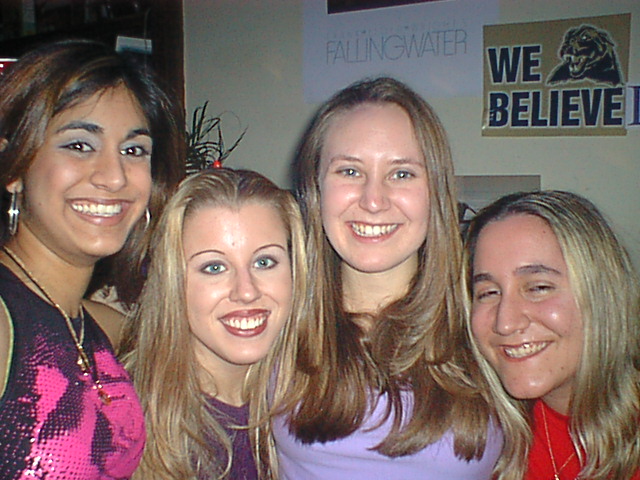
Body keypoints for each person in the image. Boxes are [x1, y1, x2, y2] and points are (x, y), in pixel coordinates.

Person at [271, 76, 502, 479]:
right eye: (349, 171)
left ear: (435, 191)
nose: (373, 200)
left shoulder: (489, 319)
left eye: (402, 174)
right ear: (315, 189)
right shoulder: (272, 320)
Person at [0, 39, 184, 478]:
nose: (114, 176)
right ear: (15, 167)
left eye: (133, 150)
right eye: (80, 145)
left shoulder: (105, 329)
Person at [120, 168, 307, 479]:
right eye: (214, 267)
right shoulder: (122, 422)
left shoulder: (312, 404)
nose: (246, 291)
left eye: (264, 262)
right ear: (172, 282)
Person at [464, 190, 640, 480]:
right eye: (488, 292)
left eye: (538, 288)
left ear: (603, 295)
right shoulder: (475, 442)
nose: (505, 323)